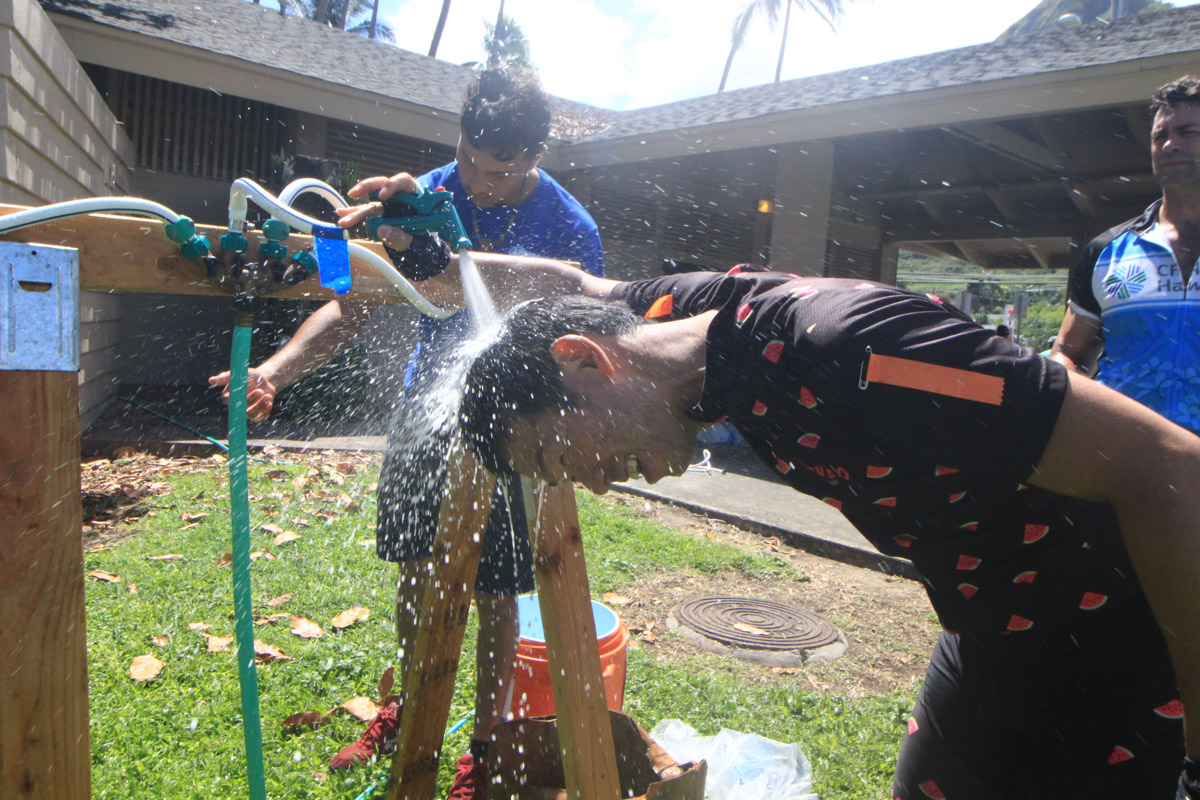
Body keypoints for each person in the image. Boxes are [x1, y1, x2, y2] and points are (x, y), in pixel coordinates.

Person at [356, 246, 1200, 797]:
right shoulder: (669, 323)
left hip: (1135, 635)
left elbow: (1168, 465)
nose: (595, 486)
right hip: (991, 630)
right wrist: (422, 254)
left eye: (561, 457)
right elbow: (570, 286)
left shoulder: (853, 351)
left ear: (582, 363)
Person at [209, 65, 604, 798]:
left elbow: (584, 353)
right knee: (415, 572)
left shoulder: (572, 232)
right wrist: (276, 370)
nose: (477, 184)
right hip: (427, 412)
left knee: (497, 594)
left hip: (513, 430)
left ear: (535, 157)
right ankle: (403, 709)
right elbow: (347, 301)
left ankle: (482, 751)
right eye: (468, 161)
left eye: (496, 172)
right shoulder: (422, 197)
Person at [1052, 76, 1200, 432]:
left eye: (1187, 132)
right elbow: (1071, 354)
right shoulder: (1106, 251)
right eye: (1159, 137)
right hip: (1122, 465)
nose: (1169, 145)